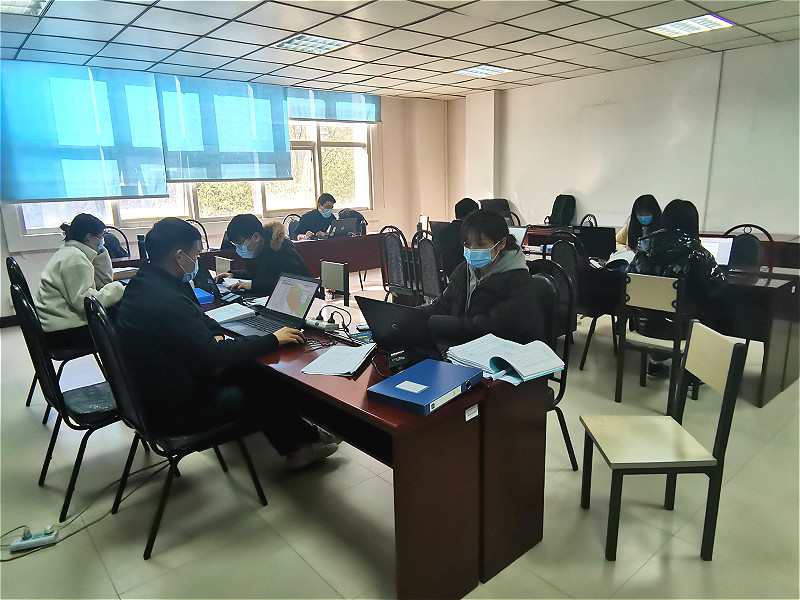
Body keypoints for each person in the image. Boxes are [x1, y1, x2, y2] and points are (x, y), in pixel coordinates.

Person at [115, 217, 339, 468]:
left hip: (152, 393)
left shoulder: (146, 283)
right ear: (179, 256)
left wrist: (215, 333)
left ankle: (299, 440)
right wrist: (272, 339)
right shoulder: (166, 299)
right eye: (195, 254)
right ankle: (301, 444)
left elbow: (198, 318)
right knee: (262, 381)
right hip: (176, 408)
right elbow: (215, 356)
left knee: (248, 368)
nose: (197, 260)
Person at [418, 209, 548, 349]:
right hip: (465, 347)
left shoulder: (518, 281)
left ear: (501, 244)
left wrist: (438, 323)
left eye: (481, 245)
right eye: (467, 244)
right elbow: (441, 305)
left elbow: (487, 328)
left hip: (504, 353)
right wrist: (414, 315)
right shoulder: (464, 270)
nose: (472, 249)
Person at [628, 199, 725, 378]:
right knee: (715, 311)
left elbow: (631, 281)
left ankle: (655, 362)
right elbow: (716, 287)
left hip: (643, 324)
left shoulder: (643, 248)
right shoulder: (697, 252)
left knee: (663, 305)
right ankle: (694, 371)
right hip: (679, 328)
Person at [35, 213, 124, 351]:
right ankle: (120, 364)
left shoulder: (70, 252)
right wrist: (119, 289)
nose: (102, 241)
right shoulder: (76, 260)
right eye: (100, 237)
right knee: (125, 321)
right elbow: (84, 302)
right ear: (89, 237)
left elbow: (103, 282)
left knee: (116, 312)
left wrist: (100, 253)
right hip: (64, 333)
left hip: (58, 325)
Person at [215, 214, 311, 294]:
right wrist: (233, 275)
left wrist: (253, 285)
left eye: (240, 243)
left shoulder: (281, 251)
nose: (238, 248)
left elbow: (291, 284)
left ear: (256, 237)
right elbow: (258, 275)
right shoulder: (257, 250)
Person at [433, 198, 479, 278]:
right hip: (464, 278)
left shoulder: (437, 232)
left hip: (441, 279)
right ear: (472, 214)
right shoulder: (471, 234)